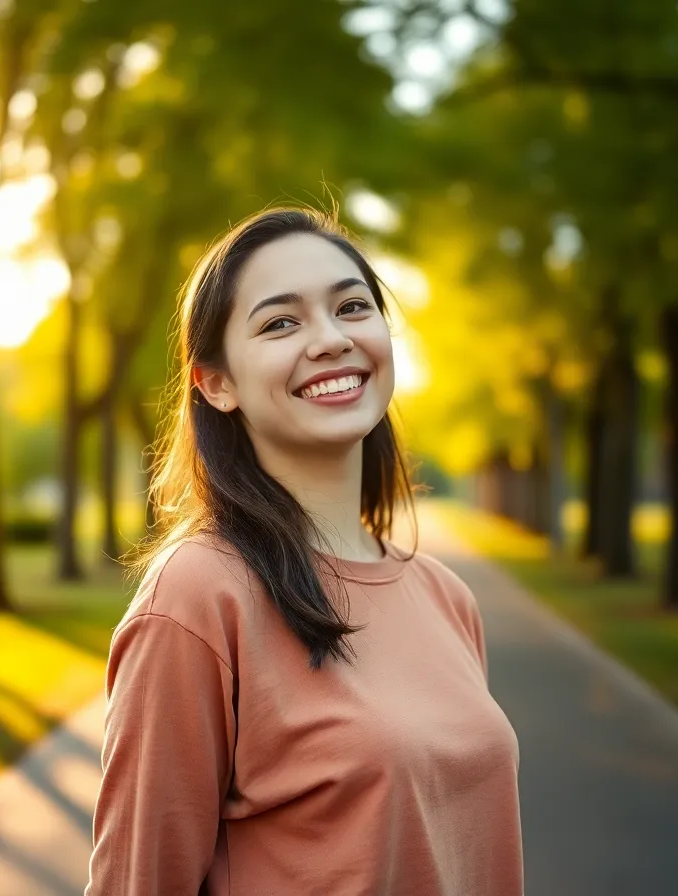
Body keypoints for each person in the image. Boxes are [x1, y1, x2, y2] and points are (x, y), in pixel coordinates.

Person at [85, 207, 523, 895]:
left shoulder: (447, 597)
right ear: (216, 383)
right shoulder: (199, 596)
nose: (331, 340)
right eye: (280, 323)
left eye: (352, 308)